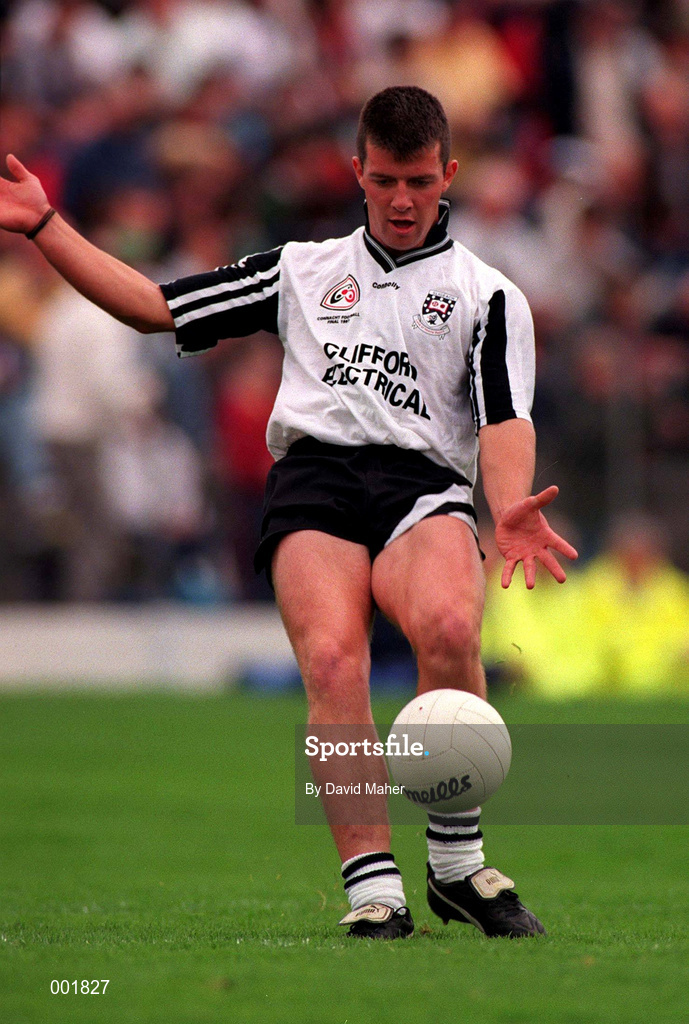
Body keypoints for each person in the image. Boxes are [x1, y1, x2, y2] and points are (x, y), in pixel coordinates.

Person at [0, 86, 577, 939]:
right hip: (313, 483)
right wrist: (47, 227)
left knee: (452, 629)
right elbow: (153, 308)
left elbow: (502, 419)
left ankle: (455, 863)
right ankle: (373, 889)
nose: (403, 199)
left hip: (423, 486)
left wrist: (509, 508)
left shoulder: (486, 294)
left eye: (419, 180)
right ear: (357, 173)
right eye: (384, 180)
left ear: (449, 171)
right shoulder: (300, 269)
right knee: (336, 662)